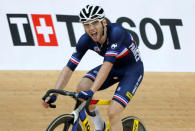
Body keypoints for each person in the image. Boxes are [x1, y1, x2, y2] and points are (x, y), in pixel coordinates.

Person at [42, 5, 144, 131]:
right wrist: (55, 93)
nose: (91, 28)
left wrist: (92, 91)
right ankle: (99, 125)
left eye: (95, 23)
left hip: (132, 70)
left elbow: (107, 65)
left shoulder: (116, 33)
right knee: (81, 88)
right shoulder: (85, 40)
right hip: (114, 67)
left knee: (113, 112)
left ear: (104, 22)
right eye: (86, 24)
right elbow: (69, 68)